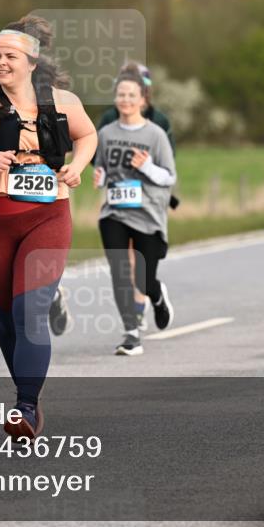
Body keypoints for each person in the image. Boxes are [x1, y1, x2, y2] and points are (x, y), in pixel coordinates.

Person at [0, 16, 96, 439]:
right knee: (7, 318)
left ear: (32, 62)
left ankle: (26, 408)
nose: (1, 63)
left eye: (10, 56)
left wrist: (77, 167)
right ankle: (27, 390)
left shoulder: (62, 102)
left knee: (30, 314)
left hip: (47, 217)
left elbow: (87, 137)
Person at [93, 66, 176, 356]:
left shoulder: (156, 135)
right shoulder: (105, 133)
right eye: (121, 95)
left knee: (142, 278)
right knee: (120, 271)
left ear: (142, 99)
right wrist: (99, 177)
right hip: (114, 212)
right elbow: (101, 168)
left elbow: (169, 176)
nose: (125, 100)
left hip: (148, 214)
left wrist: (146, 167)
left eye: (131, 95)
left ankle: (156, 296)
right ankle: (131, 332)